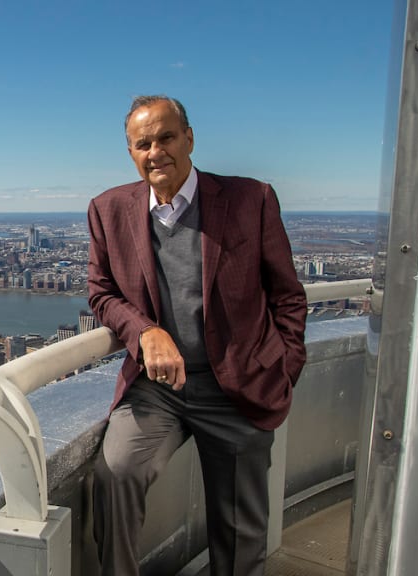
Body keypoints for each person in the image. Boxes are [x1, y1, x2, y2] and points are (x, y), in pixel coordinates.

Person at [87, 95, 307, 576]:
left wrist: (284, 369)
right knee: (116, 474)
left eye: (166, 137)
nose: (155, 151)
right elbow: (101, 292)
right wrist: (146, 331)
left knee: (238, 531)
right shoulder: (107, 209)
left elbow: (287, 295)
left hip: (239, 386)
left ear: (189, 137)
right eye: (143, 143)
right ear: (131, 153)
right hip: (158, 389)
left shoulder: (251, 199)